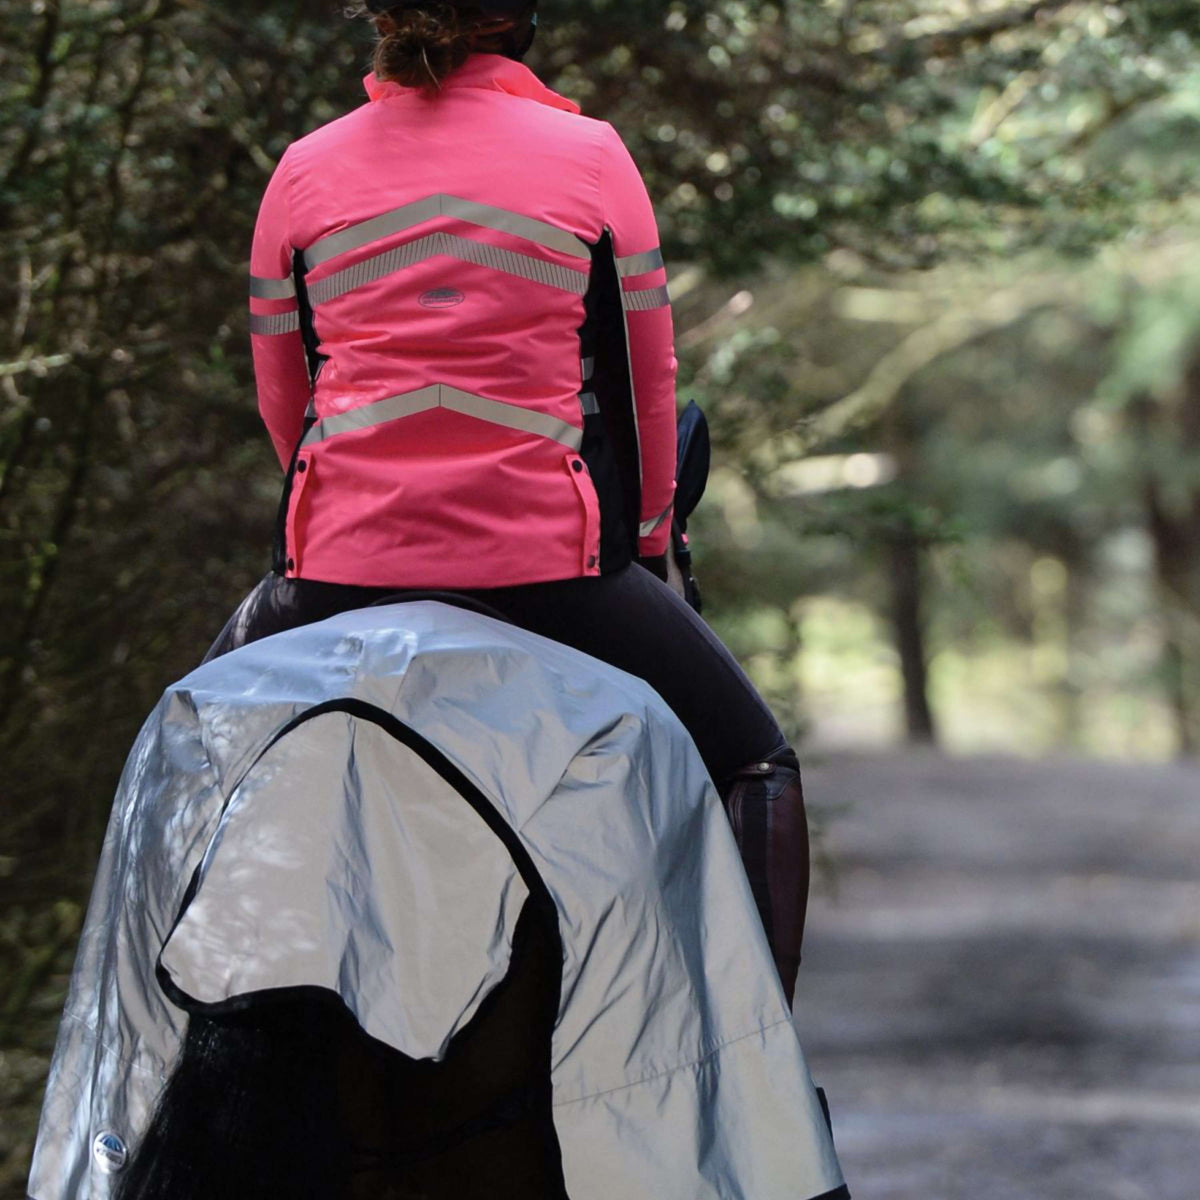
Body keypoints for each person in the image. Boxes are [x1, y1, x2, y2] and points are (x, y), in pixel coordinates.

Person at [221, 0, 808, 1003]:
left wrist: (347, 516)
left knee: (179, 764)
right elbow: (643, 384)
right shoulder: (590, 155)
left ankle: (142, 1098)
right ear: (518, 21)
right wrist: (653, 538)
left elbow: (287, 403)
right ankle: (756, 1080)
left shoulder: (305, 168)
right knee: (759, 763)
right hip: (550, 568)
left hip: (340, 569)